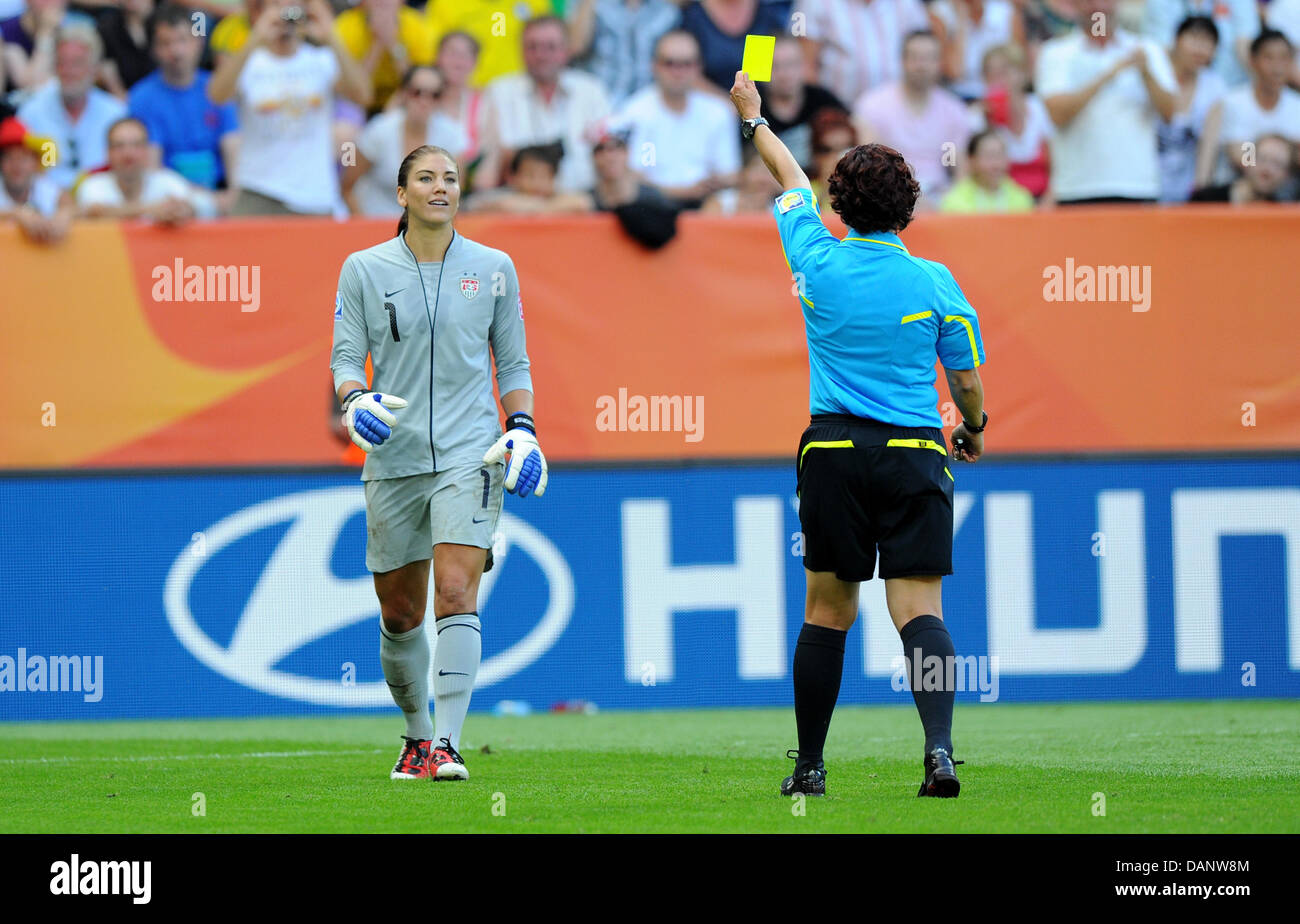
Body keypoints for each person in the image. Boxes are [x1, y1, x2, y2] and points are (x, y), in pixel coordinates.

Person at [727, 70, 987, 799]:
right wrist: (972, 426)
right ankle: (938, 752)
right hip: (912, 451)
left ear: (837, 201)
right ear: (909, 208)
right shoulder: (936, 283)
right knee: (920, 609)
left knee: (827, 611)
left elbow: (787, 175)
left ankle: (809, 767)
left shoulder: (814, 254)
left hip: (835, 449)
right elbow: (965, 383)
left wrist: (753, 119)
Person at [330, 144, 547, 781]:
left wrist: (524, 431)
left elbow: (514, 363)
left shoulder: (495, 267)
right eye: (426, 178)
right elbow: (345, 358)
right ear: (401, 194)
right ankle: (417, 735)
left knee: (455, 592)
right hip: (393, 456)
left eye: (450, 178)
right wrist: (354, 400)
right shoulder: (363, 268)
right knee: (400, 613)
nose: (440, 187)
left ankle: (450, 744)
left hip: (470, 451)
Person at [208, 0, 372, 216]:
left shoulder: (322, 60)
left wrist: (331, 35)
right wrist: (256, 37)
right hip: (258, 192)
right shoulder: (250, 62)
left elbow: (363, 95)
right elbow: (216, 96)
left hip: (315, 196)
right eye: (275, 5)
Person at [1036, 0, 1177, 204]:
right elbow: (1058, 114)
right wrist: (1108, 74)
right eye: (1089, 2)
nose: (1098, 8)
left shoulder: (1147, 49)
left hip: (1138, 186)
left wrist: (1146, 72)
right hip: (1078, 188)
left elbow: (1170, 112)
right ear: (1075, 6)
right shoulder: (1056, 53)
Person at [475, 15, 611, 194]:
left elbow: (607, 151)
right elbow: (488, 158)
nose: (541, 55)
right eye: (533, 47)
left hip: (582, 200)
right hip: (518, 201)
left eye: (550, 47)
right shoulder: (499, 92)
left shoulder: (591, 90)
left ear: (566, 50)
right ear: (522, 51)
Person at [611, 29, 741, 207]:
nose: (678, 71)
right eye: (669, 63)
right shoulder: (635, 113)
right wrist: (683, 192)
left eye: (686, 64)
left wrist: (706, 188)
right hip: (651, 207)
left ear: (698, 68)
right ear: (654, 66)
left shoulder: (718, 113)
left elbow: (730, 173)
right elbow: (633, 176)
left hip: (706, 206)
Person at [129, 3, 239, 194]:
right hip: (168, 198)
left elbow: (233, 148)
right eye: (165, 43)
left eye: (183, 40)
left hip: (220, 194)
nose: (176, 51)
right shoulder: (141, 98)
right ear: (154, 49)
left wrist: (234, 196)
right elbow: (151, 167)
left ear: (199, 42)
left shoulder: (218, 88)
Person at [854, 30, 971, 202]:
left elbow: (961, 173)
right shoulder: (872, 105)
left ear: (939, 63)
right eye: (915, 57)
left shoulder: (955, 111)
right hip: (888, 198)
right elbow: (867, 168)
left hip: (941, 199)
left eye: (929, 58)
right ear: (902, 61)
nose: (921, 65)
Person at [343, 64, 469, 217]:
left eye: (434, 95)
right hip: (376, 223)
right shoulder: (379, 131)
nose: (424, 101)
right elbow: (348, 185)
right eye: (417, 93)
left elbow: (454, 194)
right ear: (404, 93)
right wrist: (363, 226)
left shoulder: (452, 136)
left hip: (427, 231)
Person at [16, 19, 127, 189]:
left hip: (100, 205)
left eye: (77, 63)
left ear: (95, 69)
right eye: (62, 63)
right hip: (47, 206)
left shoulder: (115, 114)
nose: (68, 71)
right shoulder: (32, 112)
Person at [76, 115, 216, 221]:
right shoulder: (93, 184)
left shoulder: (167, 181)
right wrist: (153, 210)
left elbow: (203, 205)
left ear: (147, 150)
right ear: (107, 153)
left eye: (136, 145)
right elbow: (95, 212)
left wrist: (185, 209)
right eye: (119, 146)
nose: (128, 154)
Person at [794, 0, 930, 107]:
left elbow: (926, 53)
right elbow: (806, 66)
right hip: (839, 116)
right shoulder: (816, 2)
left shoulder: (908, 4)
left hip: (895, 116)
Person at [1156, 16, 1227, 202]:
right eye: (1194, 39)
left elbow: (1209, 142)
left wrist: (1200, 189)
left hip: (1186, 188)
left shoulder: (1214, 86)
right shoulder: (1155, 75)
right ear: (1176, 40)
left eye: (1208, 44)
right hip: (1146, 185)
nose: (1200, 49)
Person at [969, 43, 1051, 199]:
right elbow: (971, 173)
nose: (999, 81)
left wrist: (1047, 205)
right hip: (998, 205)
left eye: (1004, 72)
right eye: (990, 74)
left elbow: (1057, 168)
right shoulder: (977, 118)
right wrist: (988, 124)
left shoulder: (1040, 109)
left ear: (1023, 74)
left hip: (1042, 203)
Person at [1212, 30, 1300, 173]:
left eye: (1284, 58)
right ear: (1253, 60)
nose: (1277, 67)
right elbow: (1244, 158)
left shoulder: (1297, 106)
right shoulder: (1234, 102)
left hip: (1285, 192)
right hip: (1237, 190)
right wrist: (1284, 154)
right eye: (1268, 57)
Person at [759, 35, 848, 170]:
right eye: (774, 66)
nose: (784, 74)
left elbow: (858, 126)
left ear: (803, 65)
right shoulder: (752, 106)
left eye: (791, 64)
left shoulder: (821, 97)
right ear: (761, 70)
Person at [567, 0, 680, 107]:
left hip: (649, 108)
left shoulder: (666, 10)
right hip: (602, 105)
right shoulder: (597, 5)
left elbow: (679, 61)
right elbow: (575, 47)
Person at [333, 0, 435, 114]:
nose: (382, 1)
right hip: (358, 107)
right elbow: (349, 90)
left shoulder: (417, 25)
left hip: (402, 107)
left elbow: (419, 86)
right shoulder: (345, 26)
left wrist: (393, 43)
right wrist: (376, 45)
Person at [1142, 0, 1260, 87]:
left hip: (1230, 85)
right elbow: (1163, 47)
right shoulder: (1160, 3)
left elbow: (1246, 43)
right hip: (1178, 84)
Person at [679, 0, 788, 92]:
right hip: (708, 107)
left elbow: (757, 75)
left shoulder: (765, 15)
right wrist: (728, 105)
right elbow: (684, 71)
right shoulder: (693, 17)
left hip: (757, 106)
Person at [928, 0, 1024, 101]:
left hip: (1001, 96)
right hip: (960, 97)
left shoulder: (1005, 12)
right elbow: (954, 72)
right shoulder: (940, 14)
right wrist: (962, 20)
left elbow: (1019, 67)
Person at [0, 114, 73, 243]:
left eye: (23, 158)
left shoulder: (45, 186)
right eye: (9, 157)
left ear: (36, 162)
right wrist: (17, 214)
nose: (16, 165)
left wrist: (64, 215)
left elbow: (70, 204)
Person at [465, 142, 594, 213]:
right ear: (514, 177)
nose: (537, 183)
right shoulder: (500, 196)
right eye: (530, 176)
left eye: (545, 176)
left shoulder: (559, 196)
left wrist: (537, 209)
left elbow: (583, 203)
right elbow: (473, 204)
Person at [940, 128, 1034, 211]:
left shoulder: (1022, 200)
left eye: (1000, 156)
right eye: (989, 157)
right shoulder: (954, 203)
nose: (996, 165)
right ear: (972, 160)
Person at [1191, 132, 1296, 200]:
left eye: (1277, 164)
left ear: (1286, 175)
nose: (1267, 169)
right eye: (1262, 159)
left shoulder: (1281, 215)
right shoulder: (1205, 199)